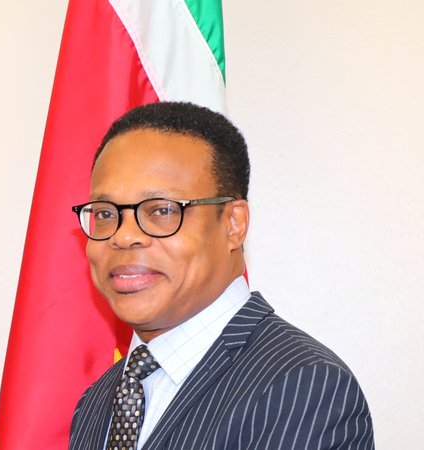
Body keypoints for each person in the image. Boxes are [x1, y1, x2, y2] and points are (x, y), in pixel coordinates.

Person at [67, 102, 373, 450]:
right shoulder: (96, 401)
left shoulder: (303, 386)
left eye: (162, 210)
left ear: (233, 224)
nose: (123, 236)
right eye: (105, 213)